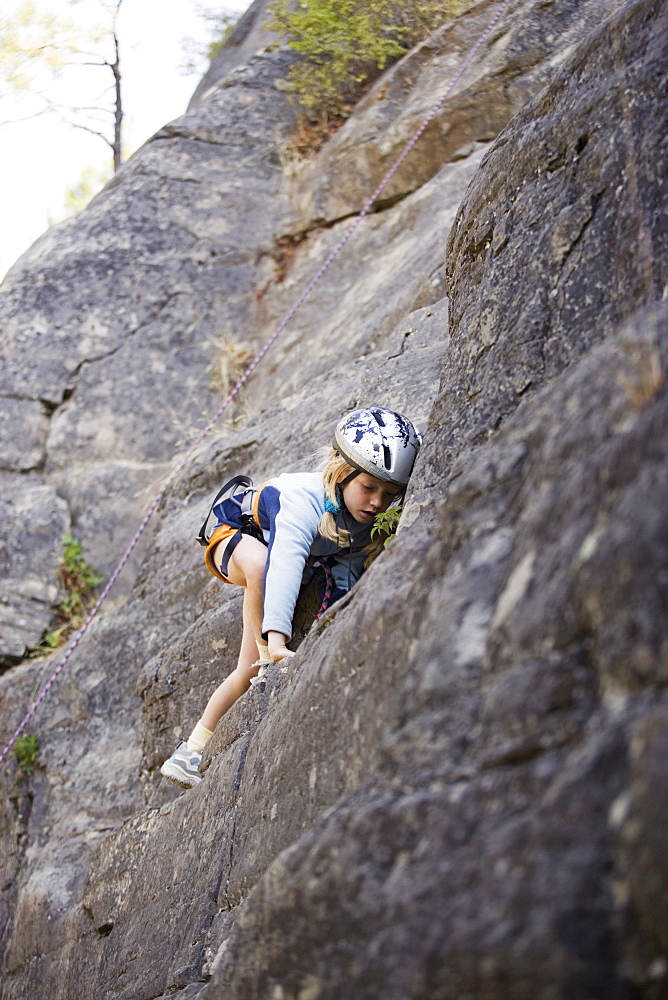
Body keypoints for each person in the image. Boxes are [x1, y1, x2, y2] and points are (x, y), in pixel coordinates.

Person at [160, 406, 421, 788]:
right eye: (368, 487)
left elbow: (346, 573)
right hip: (236, 538)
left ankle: (190, 751)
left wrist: (334, 631)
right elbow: (284, 561)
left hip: (272, 556)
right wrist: (277, 640)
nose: (378, 503)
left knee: (244, 673)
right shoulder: (303, 501)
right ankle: (267, 652)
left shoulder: (365, 524)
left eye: (389, 494)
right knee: (263, 564)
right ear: (341, 472)